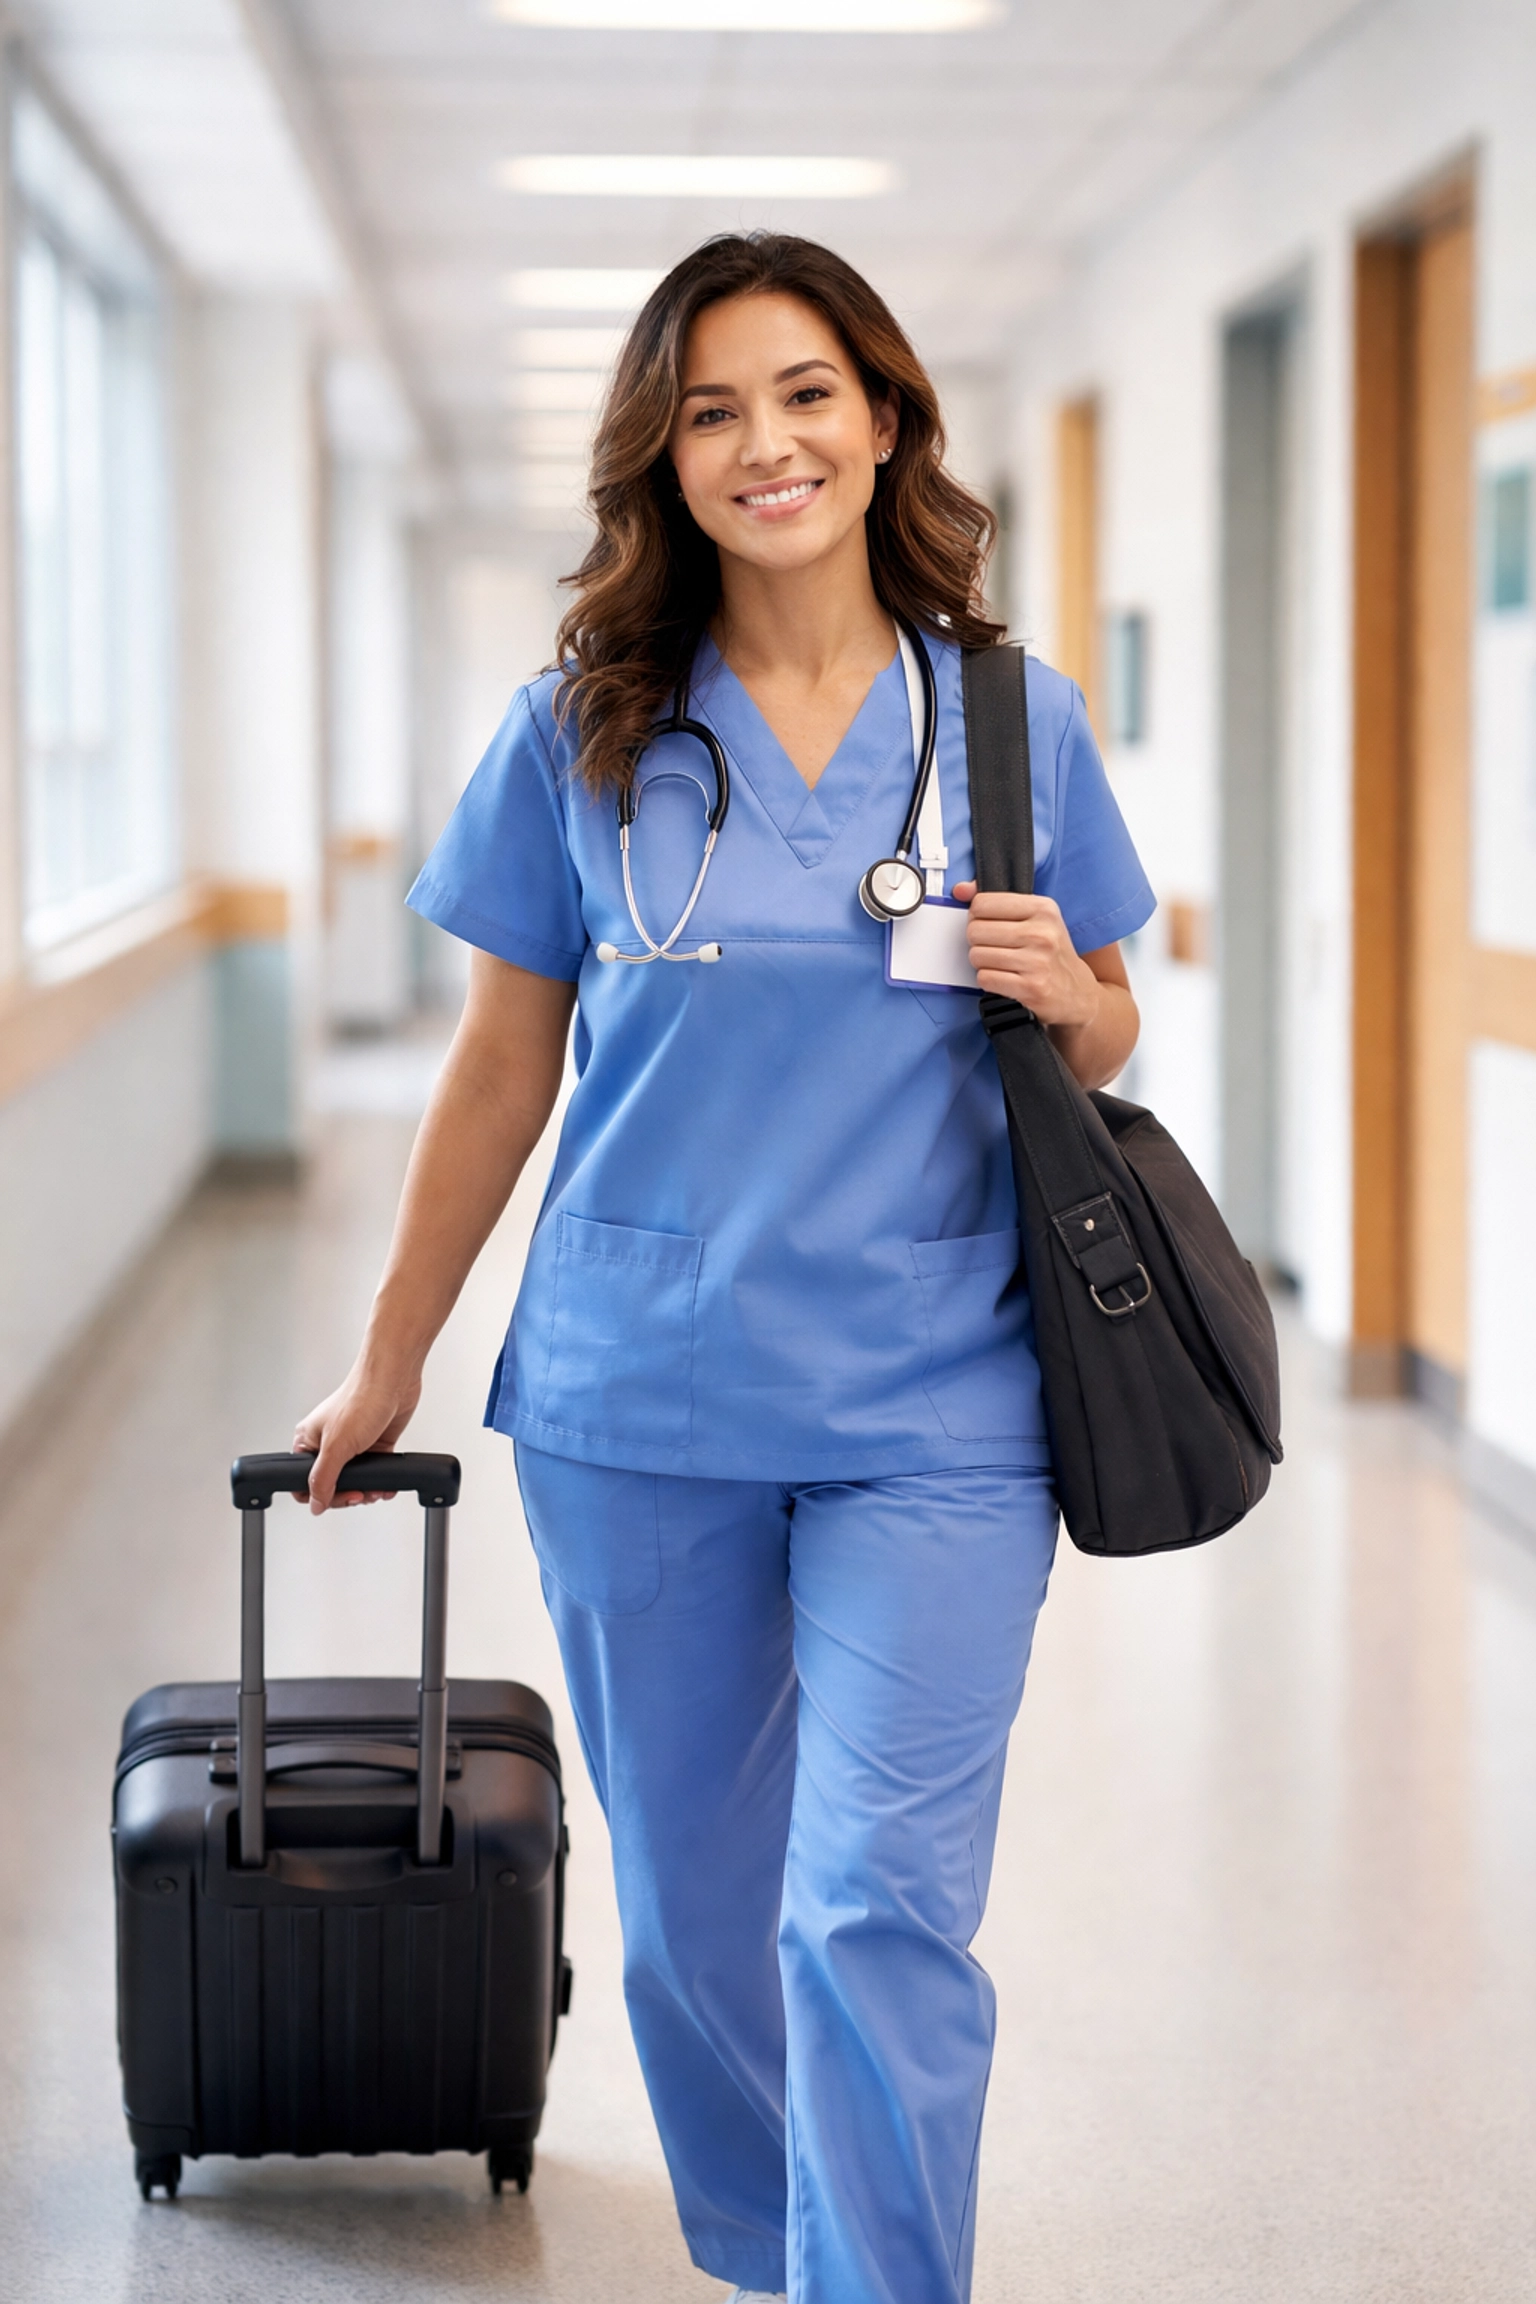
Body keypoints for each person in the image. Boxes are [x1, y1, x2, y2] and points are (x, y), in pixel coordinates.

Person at [297, 232, 1154, 2304]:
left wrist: (1072, 992)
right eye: (708, 411)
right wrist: (391, 1350)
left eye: (803, 395)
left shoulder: (1009, 723)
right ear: (663, 463)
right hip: (640, 1393)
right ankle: (783, 2256)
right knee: (694, 1914)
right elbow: (504, 1067)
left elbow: (1112, 1023)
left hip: (934, 1396)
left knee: (869, 1898)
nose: (764, 443)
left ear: (881, 422)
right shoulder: (580, 727)